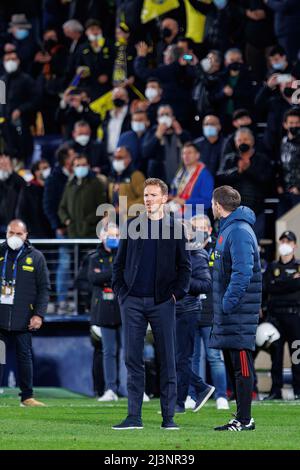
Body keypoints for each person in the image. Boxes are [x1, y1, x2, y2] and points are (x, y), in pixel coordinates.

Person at [112, 178, 191, 430]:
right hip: (132, 302)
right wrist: (123, 294)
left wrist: (175, 295)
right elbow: (118, 265)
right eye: (146, 195)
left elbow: (185, 269)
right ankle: (134, 417)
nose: (148, 199)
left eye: (153, 195)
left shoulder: (176, 229)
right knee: (133, 359)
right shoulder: (131, 226)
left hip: (163, 302)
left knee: (167, 359)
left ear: (164, 198)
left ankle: (168, 418)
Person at [210, 185, 262, 431]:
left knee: (242, 366)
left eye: (212, 204)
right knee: (236, 366)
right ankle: (241, 417)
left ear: (218, 205)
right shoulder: (231, 228)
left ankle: (245, 420)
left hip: (238, 311)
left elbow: (243, 272)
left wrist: (227, 302)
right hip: (232, 312)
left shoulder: (239, 231)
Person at [0, 219, 50, 406]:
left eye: (19, 233)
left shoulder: (36, 257)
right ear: (6, 233)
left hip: (24, 318)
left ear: (26, 235)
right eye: (11, 233)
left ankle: (27, 397)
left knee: (24, 358)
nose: (14, 237)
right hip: (1, 316)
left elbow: (44, 289)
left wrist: (39, 315)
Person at [187, 214, 229, 410]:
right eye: (194, 227)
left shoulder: (218, 251)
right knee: (192, 356)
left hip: (211, 310)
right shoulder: (187, 251)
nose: (198, 231)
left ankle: (221, 395)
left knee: (214, 356)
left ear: (210, 230)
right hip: (189, 310)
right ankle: (191, 394)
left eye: (202, 227)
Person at [175, 220, 215, 414]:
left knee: (179, 359)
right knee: (177, 359)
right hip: (173, 310)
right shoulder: (174, 255)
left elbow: (205, 285)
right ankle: (179, 402)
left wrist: (181, 280)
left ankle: (200, 387)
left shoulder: (198, 255)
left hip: (188, 310)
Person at [88, 223, 127, 401]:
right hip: (104, 309)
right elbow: (93, 278)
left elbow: (127, 277)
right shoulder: (94, 257)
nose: (114, 238)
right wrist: (114, 273)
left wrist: (106, 275)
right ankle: (110, 388)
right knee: (108, 351)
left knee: (130, 351)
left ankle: (133, 389)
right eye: (111, 235)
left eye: (117, 235)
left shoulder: (126, 255)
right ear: (102, 236)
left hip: (124, 308)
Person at [263, 230, 300, 400]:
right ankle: (275, 390)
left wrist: (280, 284)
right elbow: (269, 288)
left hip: (295, 317)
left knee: (296, 354)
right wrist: (292, 282)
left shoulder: (298, 265)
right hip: (275, 317)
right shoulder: (272, 267)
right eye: (283, 240)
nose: (285, 244)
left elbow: (279, 287)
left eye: (289, 241)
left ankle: (298, 389)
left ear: (295, 245)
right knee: (276, 356)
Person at [58, 154, 106, 238]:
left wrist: (89, 221)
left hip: (91, 232)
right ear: (73, 167)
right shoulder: (69, 185)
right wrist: (67, 220)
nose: (81, 167)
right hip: (73, 233)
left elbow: (102, 207)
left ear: (88, 166)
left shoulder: (96, 183)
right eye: (78, 165)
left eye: (84, 165)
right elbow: (62, 207)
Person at [169, 142, 214, 215]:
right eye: (184, 153)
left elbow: (207, 202)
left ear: (197, 155)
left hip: (195, 217)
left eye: (189, 153)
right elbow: (175, 192)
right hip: (178, 213)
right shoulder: (181, 172)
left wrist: (185, 202)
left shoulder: (205, 175)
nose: (186, 156)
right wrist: (170, 196)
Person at [16, 160, 53, 238]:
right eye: (44, 168)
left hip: (51, 232)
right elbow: (21, 211)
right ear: (36, 172)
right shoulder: (28, 189)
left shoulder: (52, 187)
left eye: (48, 167)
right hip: (35, 233)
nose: (48, 170)